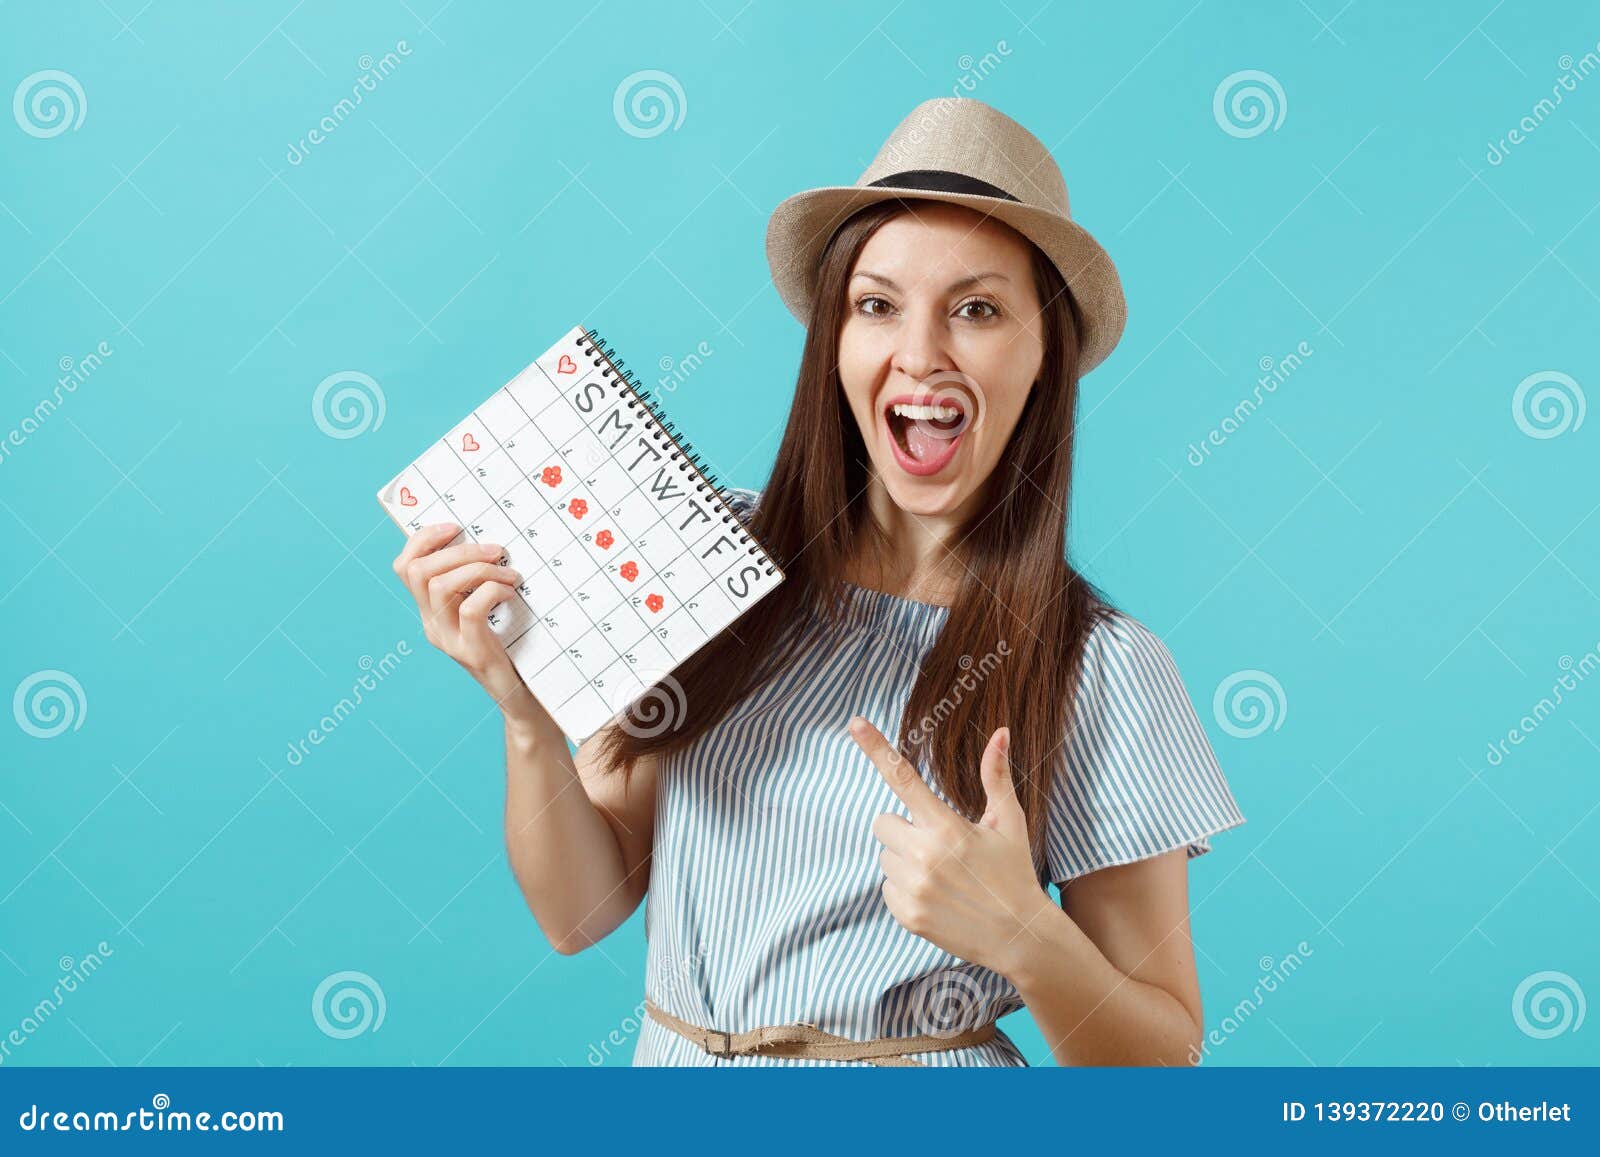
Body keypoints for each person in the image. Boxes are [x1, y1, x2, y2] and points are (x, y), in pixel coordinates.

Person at [391, 97, 1246, 1066]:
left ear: (1044, 354)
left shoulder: (1101, 667)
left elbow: (1162, 1059)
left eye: (976, 309)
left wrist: (1027, 936)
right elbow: (577, 911)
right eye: (876, 304)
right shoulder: (710, 552)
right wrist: (522, 710)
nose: (918, 354)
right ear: (834, 341)